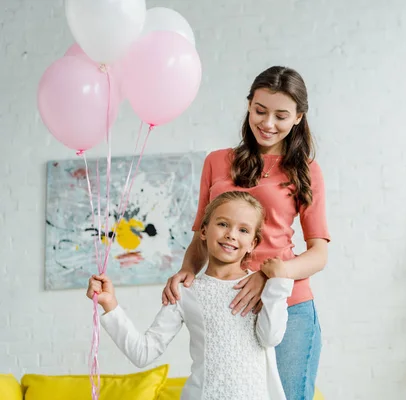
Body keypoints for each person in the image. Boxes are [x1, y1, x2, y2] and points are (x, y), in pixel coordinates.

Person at [162, 65, 330, 400]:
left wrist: (271, 274)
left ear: (298, 118)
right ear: (249, 104)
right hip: (229, 306)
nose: (268, 124)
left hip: (288, 307)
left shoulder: (306, 170)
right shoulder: (217, 161)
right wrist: (186, 272)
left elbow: (318, 252)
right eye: (260, 110)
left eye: (281, 116)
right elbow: (200, 236)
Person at [87, 191, 293, 400]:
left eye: (243, 230)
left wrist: (278, 285)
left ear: (253, 243)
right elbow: (143, 353)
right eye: (222, 224)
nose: (231, 234)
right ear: (203, 231)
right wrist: (110, 305)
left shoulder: (264, 288)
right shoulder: (185, 291)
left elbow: (270, 337)